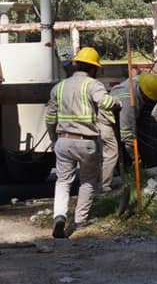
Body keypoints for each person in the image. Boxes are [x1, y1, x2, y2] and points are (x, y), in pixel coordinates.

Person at [44, 47, 120, 238]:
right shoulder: (93, 85)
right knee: (87, 181)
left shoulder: (59, 87)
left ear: (76, 65)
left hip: (63, 141)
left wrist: (54, 138)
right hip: (86, 142)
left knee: (62, 181)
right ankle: (80, 220)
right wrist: (117, 103)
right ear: (94, 69)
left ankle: (60, 215)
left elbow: (50, 117)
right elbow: (104, 102)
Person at [97, 73, 157, 191]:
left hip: (121, 117)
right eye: (147, 97)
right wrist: (136, 158)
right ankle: (106, 185)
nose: (148, 100)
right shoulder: (128, 101)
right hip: (108, 122)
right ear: (143, 92)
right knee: (114, 152)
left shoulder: (141, 81)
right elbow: (126, 135)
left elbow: (143, 79)